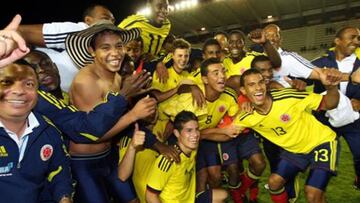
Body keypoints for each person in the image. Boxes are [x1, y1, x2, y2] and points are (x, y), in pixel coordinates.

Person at [67, 22, 154, 203]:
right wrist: (134, 114)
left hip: (109, 156)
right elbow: (93, 134)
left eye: (119, 46)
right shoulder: (86, 81)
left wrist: (137, 97)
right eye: (105, 48)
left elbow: (112, 113)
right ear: (92, 51)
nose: (115, 53)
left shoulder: (117, 76)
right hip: (85, 163)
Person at [232, 68, 342, 203]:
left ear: (266, 84)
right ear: (243, 90)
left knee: (312, 193)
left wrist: (331, 88)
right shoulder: (246, 116)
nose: (258, 88)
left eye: (261, 82)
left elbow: (329, 104)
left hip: (321, 142)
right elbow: (228, 133)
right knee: (274, 182)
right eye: (251, 85)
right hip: (295, 150)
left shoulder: (288, 97)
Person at [0, 60, 72, 203]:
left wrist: (64, 197)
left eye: (29, 84)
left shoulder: (48, 131)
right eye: (7, 82)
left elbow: (60, 172)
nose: (19, 91)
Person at [18, 4, 116, 91]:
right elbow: (21, 32)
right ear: (88, 21)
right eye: (105, 18)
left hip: (63, 101)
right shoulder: (79, 31)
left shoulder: (107, 47)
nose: (111, 23)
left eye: (113, 21)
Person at [311, 26, 360, 190]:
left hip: (353, 119)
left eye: (358, 38)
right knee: (321, 155)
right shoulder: (321, 62)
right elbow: (301, 78)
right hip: (325, 119)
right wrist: (300, 81)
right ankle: (317, 188)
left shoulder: (359, 64)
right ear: (337, 41)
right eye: (352, 37)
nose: (356, 41)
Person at [146, 110, 227, 203]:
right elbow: (150, 196)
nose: (195, 134)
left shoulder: (192, 149)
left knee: (222, 195)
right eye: (189, 130)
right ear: (176, 133)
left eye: (197, 129)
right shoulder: (169, 159)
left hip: (189, 200)